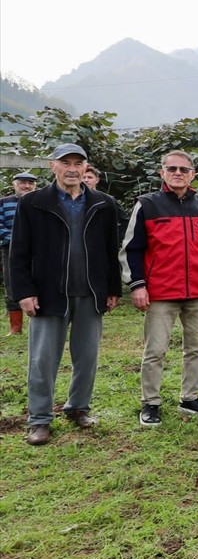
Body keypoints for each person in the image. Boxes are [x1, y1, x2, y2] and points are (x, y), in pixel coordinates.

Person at [9, 144, 121, 446]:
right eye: (65, 162)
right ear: (52, 166)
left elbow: (111, 251)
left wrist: (112, 288)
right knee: (43, 360)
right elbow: (18, 252)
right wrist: (24, 292)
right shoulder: (33, 202)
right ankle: (40, 419)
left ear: (86, 168)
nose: (72, 168)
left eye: (78, 163)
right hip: (48, 294)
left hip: (90, 291)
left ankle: (78, 408)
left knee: (87, 356)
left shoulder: (103, 203)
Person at [120, 150, 198, 426]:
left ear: (193, 175)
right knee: (155, 350)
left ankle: (190, 397)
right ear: (162, 172)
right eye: (172, 168)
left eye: (184, 169)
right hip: (160, 292)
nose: (178, 173)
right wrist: (137, 284)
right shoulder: (147, 205)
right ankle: (150, 403)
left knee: (196, 348)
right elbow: (132, 249)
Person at [1, 170, 38, 336]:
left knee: (39, 281)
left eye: (30, 183)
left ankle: (38, 323)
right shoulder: (4, 202)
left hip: (37, 249)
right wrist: (17, 240)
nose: (26, 186)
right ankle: (16, 327)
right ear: (14, 184)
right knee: (12, 284)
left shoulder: (39, 202)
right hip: (10, 248)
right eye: (23, 182)